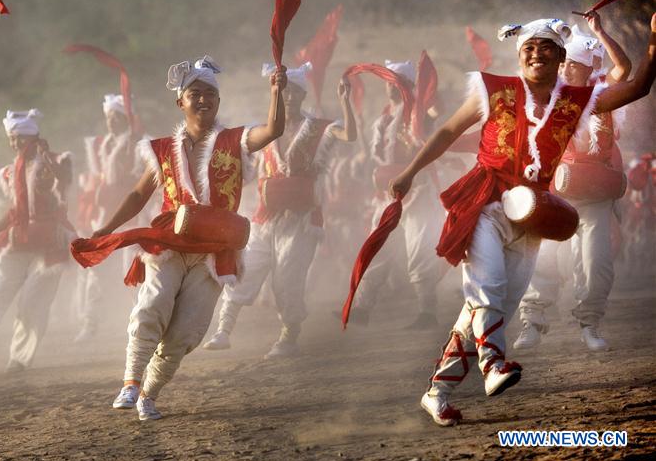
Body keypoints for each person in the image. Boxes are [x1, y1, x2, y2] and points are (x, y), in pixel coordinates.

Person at [386, 15, 655, 426]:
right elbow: (445, 133)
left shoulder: (577, 102)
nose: (536, 53)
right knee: (487, 288)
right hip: (485, 204)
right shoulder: (492, 90)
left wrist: (654, 40)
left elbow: (638, 87)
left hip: (531, 219)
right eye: (529, 47)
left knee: (489, 309)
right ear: (519, 56)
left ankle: (437, 392)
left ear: (562, 57)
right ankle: (493, 363)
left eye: (546, 47)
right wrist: (408, 173)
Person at [83, 55, 286, 420]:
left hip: (215, 251)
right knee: (153, 304)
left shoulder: (234, 140)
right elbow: (137, 196)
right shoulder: (160, 149)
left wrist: (276, 92)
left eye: (210, 93)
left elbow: (272, 130)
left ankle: (149, 392)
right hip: (169, 243)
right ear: (181, 102)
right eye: (195, 93)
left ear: (219, 101)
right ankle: (130, 381)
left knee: (185, 333)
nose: (204, 99)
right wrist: (107, 227)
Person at [203, 62, 357, 357]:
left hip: (300, 219)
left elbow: (349, 135)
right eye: (284, 93)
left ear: (302, 96)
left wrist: (345, 101)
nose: (289, 98)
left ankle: (288, 337)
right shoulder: (265, 130)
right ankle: (223, 330)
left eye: (294, 93)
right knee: (245, 269)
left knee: (288, 279)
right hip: (265, 216)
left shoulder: (318, 129)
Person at [516, 12, 632, 352]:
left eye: (574, 65)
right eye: (564, 64)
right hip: (556, 194)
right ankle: (532, 323)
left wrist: (600, 32)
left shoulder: (602, 96)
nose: (566, 69)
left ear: (587, 69)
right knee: (541, 258)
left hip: (594, 195)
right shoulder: (545, 97)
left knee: (596, 263)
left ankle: (590, 323)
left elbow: (624, 70)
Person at [0, 109, 75, 372]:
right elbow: (15, 210)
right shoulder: (10, 172)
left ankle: (19, 360)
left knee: (33, 303)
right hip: (18, 239)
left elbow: (65, 182)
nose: (15, 143)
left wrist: (49, 162)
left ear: (33, 136)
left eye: (20, 138)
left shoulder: (56, 161)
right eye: (12, 138)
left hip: (50, 244)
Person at [348, 60, 448, 328]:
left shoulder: (418, 113)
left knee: (419, 250)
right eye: (388, 84)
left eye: (397, 84)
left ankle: (428, 312)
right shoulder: (384, 118)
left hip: (418, 192)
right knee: (378, 247)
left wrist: (427, 92)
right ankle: (362, 309)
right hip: (386, 195)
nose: (391, 89)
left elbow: (437, 112)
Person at [74, 94, 139, 342]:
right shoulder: (102, 145)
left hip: (130, 215)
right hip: (103, 215)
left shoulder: (137, 143)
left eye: (116, 117)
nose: (111, 122)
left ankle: (137, 322)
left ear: (126, 118)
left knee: (130, 269)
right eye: (109, 117)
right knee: (97, 270)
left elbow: (141, 180)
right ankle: (90, 323)